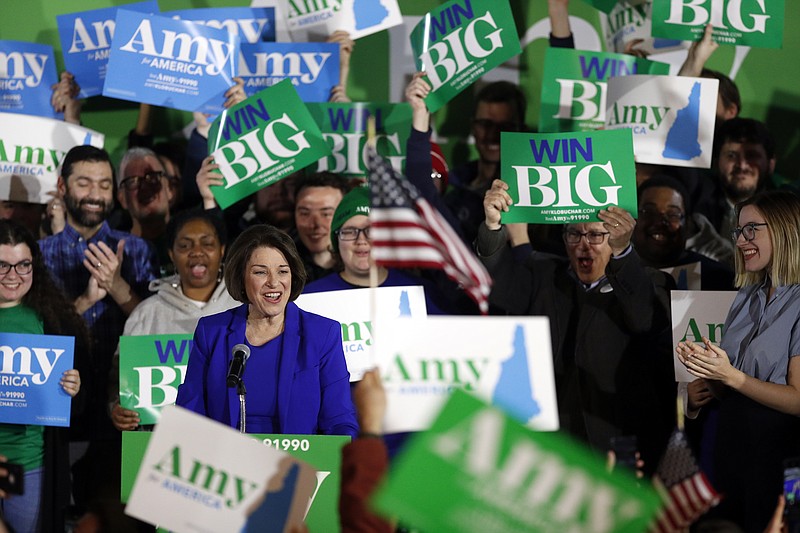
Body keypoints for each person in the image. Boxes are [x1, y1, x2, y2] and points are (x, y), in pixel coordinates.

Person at [477, 180, 675, 472]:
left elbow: (646, 319)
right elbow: (497, 283)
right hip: (547, 450)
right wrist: (493, 226)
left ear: (614, 238)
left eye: (596, 235)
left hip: (617, 449)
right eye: (574, 234)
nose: (583, 245)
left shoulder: (650, 282)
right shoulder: (542, 274)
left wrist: (623, 254)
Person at [38, 145, 157, 507]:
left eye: (104, 185)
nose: (95, 194)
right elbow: (34, 337)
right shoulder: (37, 255)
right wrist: (87, 300)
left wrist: (118, 288)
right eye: (85, 183)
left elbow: (155, 327)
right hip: (57, 414)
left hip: (125, 415)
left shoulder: (137, 250)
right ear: (62, 186)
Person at [677, 190, 800, 531]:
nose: (741, 241)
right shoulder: (747, 295)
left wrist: (731, 378)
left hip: (777, 460)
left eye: (751, 230)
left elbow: (798, 399)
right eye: (738, 232)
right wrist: (710, 381)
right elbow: (734, 387)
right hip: (731, 454)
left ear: (784, 230)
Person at [176, 224, 358, 438]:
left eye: (282, 271)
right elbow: (189, 415)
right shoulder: (212, 332)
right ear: (242, 277)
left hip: (297, 466)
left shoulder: (323, 334)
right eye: (260, 272)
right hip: (227, 464)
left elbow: (340, 421)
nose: (274, 282)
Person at [109, 210, 239, 432]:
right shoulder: (146, 313)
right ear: (171, 253)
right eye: (185, 246)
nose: (196, 252)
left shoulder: (245, 306)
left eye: (207, 244)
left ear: (222, 249)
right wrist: (116, 407)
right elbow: (118, 382)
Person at [0, 219, 88, 533]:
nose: (13, 276)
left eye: (23, 265)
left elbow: (75, 408)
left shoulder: (54, 320)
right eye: (3, 266)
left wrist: (73, 389)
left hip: (30, 465)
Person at [303, 186, 450, 314]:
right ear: (337, 241)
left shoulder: (423, 293)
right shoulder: (310, 298)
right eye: (350, 231)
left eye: (371, 230)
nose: (361, 240)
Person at [633, 174, 735, 289]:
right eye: (649, 211)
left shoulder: (720, 280)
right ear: (634, 218)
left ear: (688, 225)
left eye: (673, 214)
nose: (660, 222)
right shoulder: (613, 272)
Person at [115, 147, 174, 275]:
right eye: (133, 182)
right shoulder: (114, 252)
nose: (145, 187)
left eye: (153, 177)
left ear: (169, 188)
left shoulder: (192, 241)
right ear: (122, 198)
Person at [292, 172, 350, 282]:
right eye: (305, 213)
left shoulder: (367, 267)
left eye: (326, 214)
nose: (316, 224)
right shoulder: (284, 265)